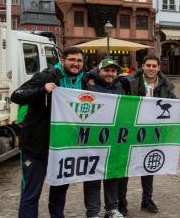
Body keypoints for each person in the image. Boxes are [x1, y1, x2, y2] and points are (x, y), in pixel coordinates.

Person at [11, 46, 87, 218]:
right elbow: (17, 95)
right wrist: (42, 90)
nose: (76, 64)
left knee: (59, 193)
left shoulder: (84, 80)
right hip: (37, 146)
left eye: (79, 61)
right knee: (31, 193)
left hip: (64, 148)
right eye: (72, 60)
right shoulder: (46, 76)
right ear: (63, 60)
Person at [116, 54, 180, 215]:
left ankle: (147, 199)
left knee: (148, 165)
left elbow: (174, 103)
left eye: (154, 66)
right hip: (131, 131)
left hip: (153, 132)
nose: (151, 68)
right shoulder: (128, 81)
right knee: (125, 166)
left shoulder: (166, 85)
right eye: (148, 65)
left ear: (158, 68)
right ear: (142, 66)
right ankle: (121, 202)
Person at [82, 58, 127, 218]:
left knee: (112, 174)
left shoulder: (119, 86)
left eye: (113, 71)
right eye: (106, 70)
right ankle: (93, 212)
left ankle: (111, 208)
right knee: (92, 176)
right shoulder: (88, 83)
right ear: (98, 71)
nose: (110, 73)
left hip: (113, 139)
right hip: (94, 139)